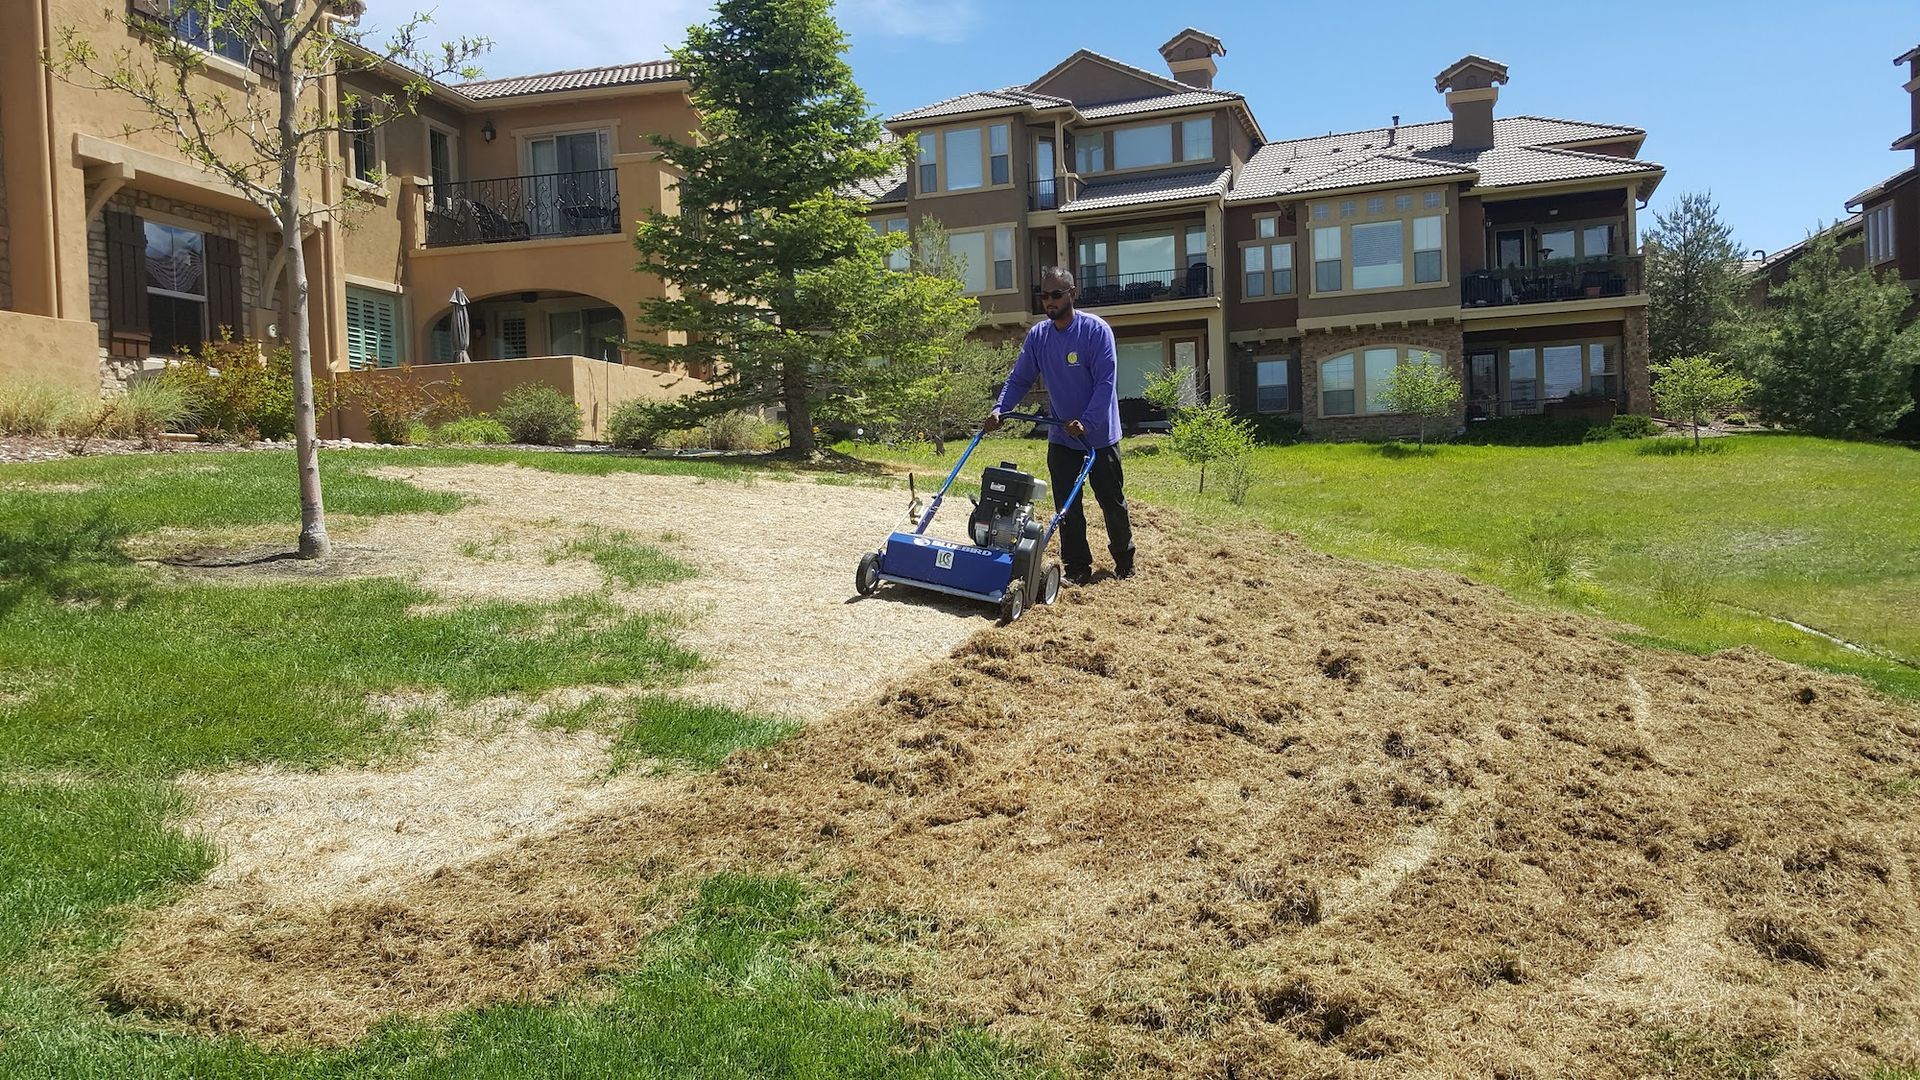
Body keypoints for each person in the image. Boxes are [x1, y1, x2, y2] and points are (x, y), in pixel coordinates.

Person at [983, 266, 1134, 585]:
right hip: (1062, 436)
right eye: (1044, 296)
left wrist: (1088, 422)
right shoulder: (1039, 336)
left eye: (1056, 295)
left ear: (1072, 294)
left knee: (1111, 501)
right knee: (1067, 507)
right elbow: (1020, 378)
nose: (1049, 301)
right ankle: (1078, 567)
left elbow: (1106, 383)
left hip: (1099, 437)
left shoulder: (1096, 331)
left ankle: (1124, 561)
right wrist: (1000, 409)